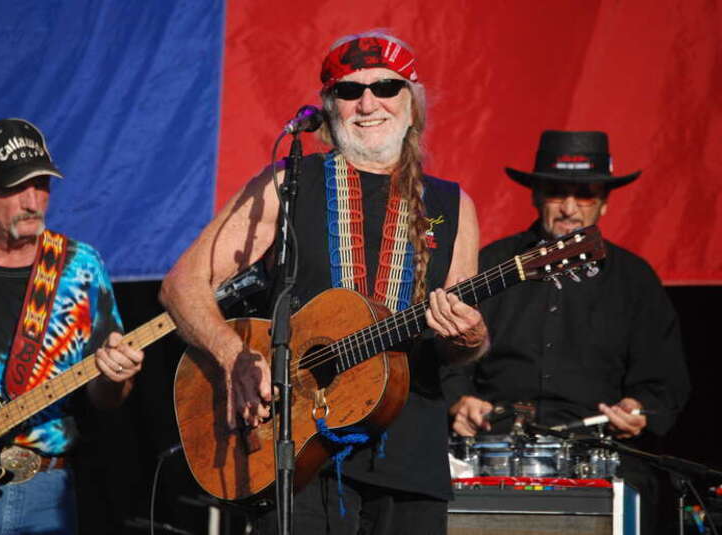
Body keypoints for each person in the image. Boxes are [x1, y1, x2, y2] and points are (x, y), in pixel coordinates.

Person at [161, 32, 488, 534]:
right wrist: (234, 356)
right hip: (298, 455)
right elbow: (183, 284)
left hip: (408, 458)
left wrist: (470, 339)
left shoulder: (453, 205)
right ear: (329, 106)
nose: (368, 104)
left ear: (413, 102)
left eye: (386, 87)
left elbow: (455, 347)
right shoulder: (286, 184)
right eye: (349, 91)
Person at [445, 130, 691, 533]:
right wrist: (460, 401)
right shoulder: (492, 266)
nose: (570, 209)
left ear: (605, 203)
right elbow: (446, 355)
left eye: (586, 195)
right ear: (536, 196)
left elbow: (664, 381)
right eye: (558, 193)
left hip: (599, 452)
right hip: (492, 451)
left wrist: (639, 409)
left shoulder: (634, 280)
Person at [0, 118, 145, 534]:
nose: (32, 201)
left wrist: (116, 377)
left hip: (48, 493)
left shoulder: (80, 267)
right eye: (13, 187)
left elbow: (107, 399)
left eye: (42, 184)